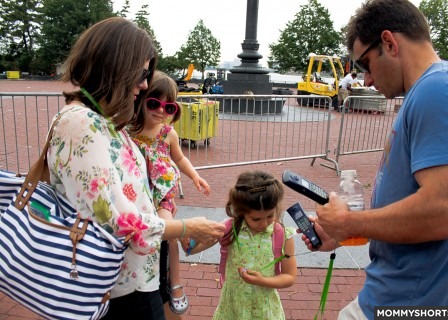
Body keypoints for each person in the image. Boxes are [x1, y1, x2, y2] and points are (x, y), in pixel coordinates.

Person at [301, 1, 448, 319]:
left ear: (389, 42)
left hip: (411, 301)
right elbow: (422, 207)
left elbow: (446, 211)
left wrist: (348, 222)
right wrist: (349, 233)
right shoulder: (432, 90)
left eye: (366, 64)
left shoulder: (440, 89)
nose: (366, 80)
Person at [47, 17, 225, 320]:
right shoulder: (82, 123)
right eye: (141, 73)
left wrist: (180, 231)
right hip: (114, 288)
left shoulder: (103, 122)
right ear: (115, 66)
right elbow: (116, 222)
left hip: (133, 280)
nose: (144, 84)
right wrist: (186, 227)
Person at [129, 70, 211, 315]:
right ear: (141, 100)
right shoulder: (128, 130)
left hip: (161, 194)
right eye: (154, 103)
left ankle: (175, 282)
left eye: (170, 107)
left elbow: (180, 158)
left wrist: (195, 176)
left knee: (171, 232)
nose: (161, 111)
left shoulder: (167, 133)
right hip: (136, 193)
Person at [186, 170, 297, 320]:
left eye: (270, 216)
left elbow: (289, 276)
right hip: (232, 309)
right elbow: (191, 249)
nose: (264, 224)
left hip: (264, 310)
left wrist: (262, 281)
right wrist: (187, 232)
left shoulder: (283, 235)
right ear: (241, 212)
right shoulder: (229, 229)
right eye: (256, 219)